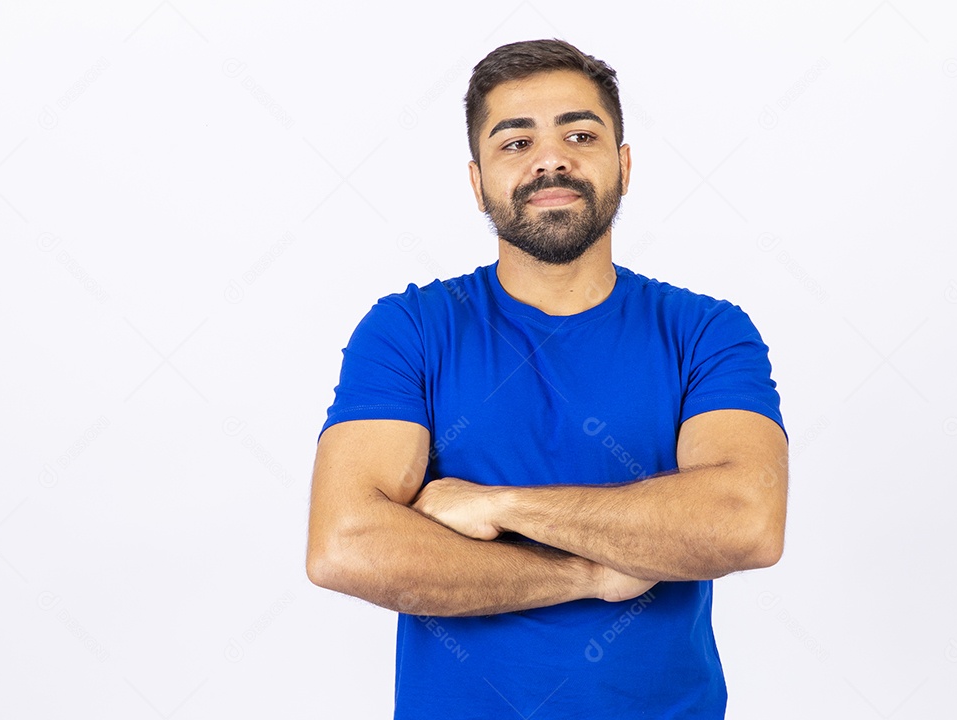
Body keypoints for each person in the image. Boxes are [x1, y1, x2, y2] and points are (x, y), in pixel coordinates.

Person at [306, 38, 789, 719]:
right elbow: (346, 545)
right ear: (477, 181)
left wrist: (499, 507)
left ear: (623, 166)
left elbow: (743, 523)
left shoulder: (705, 332)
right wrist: (586, 574)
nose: (551, 157)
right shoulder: (410, 330)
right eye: (515, 142)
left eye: (580, 134)